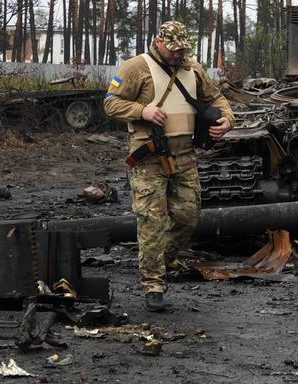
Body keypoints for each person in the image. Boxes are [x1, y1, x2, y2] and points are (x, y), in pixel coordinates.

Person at [104, 21, 234, 312]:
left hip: (185, 154)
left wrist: (227, 119)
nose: (179, 54)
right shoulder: (135, 67)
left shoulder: (193, 69)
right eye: (174, 49)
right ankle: (153, 283)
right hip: (149, 155)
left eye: (183, 49)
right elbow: (110, 104)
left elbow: (216, 98)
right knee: (152, 221)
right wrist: (142, 110)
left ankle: (160, 260)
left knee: (189, 215)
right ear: (159, 42)